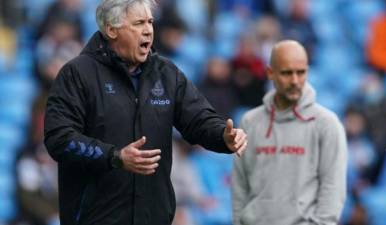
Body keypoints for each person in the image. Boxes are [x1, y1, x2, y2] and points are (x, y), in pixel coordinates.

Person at [43, 1, 247, 225]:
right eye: (139, 23)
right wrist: (115, 157)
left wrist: (222, 136)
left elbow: (198, 119)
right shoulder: (77, 74)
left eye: (150, 22)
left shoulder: (167, 74)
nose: (149, 30)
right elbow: (59, 139)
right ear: (112, 30)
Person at [232, 40, 347, 225]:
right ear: (270, 73)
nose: (295, 81)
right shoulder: (249, 122)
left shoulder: (327, 124)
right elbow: (239, 186)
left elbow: (333, 188)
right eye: (286, 73)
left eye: (300, 72)